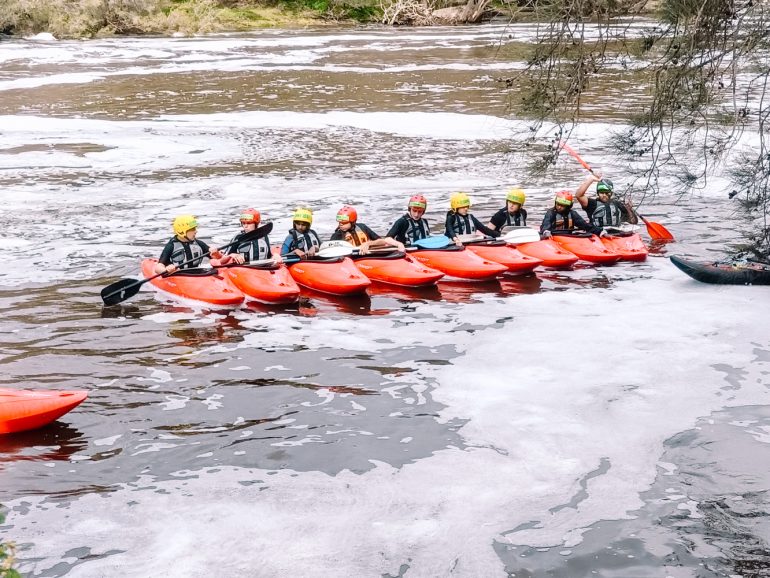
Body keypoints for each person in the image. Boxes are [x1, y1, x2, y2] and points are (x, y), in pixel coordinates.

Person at [154, 214, 225, 274]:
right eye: (192, 229)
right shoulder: (171, 246)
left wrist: (216, 253)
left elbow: (218, 258)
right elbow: (158, 267)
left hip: (197, 275)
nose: (196, 231)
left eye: (195, 228)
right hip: (178, 275)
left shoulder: (198, 244)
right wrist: (166, 270)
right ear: (182, 231)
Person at [330, 205, 405, 255]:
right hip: (351, 261)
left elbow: (382, 241)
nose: (341, 224)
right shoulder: (337, 235)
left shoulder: (362, 227)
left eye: (344, 222)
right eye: (340, 222)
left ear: (353, 221)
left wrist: (368, 244)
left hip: (367, 258)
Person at [539, 191, 607, 238]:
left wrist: (600, 231)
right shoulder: (551, 213)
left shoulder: (572, 214)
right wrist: (546, 232)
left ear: (568, 206)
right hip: (554, 237)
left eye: (562, 205)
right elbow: (546, 223)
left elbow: (585, 226)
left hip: (569, 238)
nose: (559, 207)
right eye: (558, 204)